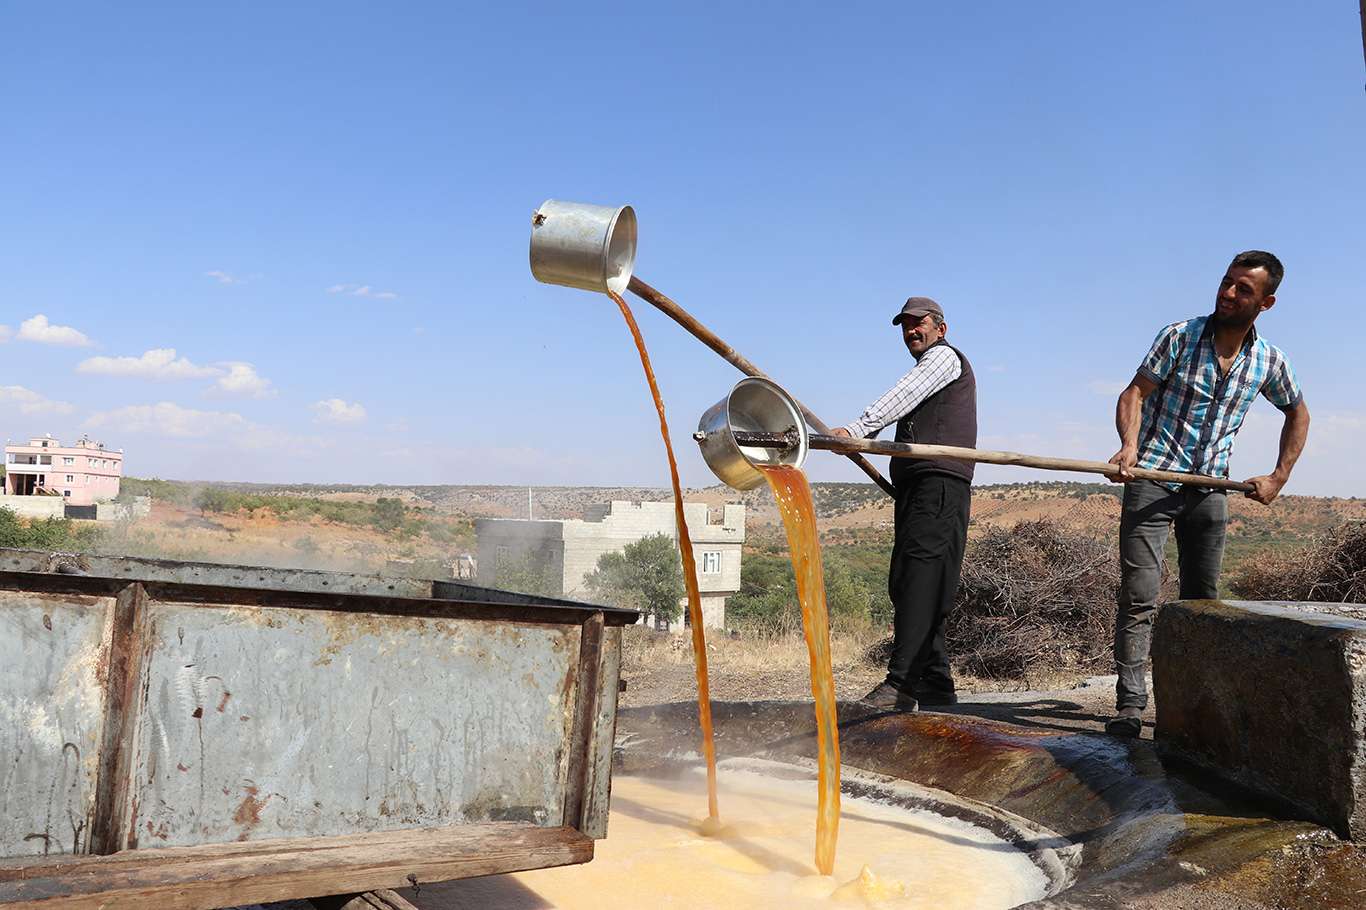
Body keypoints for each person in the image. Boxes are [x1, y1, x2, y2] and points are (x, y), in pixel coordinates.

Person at [1105, 250, 1310, 738]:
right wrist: (1129, 447)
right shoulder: (1178, 336)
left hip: (1211, 487)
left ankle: (1191, 707)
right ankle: (1131, 707)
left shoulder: (1268, 360)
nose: (1228, 293)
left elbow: (1298, 413)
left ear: (1267, 302)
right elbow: (1134, 394)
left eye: (1243, 289)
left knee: (1203, 604)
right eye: (1226, 281)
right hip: (1152, 479)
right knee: (1140, 596)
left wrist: (1279, 476)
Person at [834, 297, 977, 712]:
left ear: (941, 329)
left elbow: (905, 393)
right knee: (909, 580)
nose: (911, 331)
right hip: (922, 486)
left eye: (919, 324)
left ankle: (901, 684)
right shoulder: (933, 362)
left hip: (940, 484)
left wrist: (859, 430)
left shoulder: (944, 359)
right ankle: (935, 682)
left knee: (919, 580)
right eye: (906, 326)